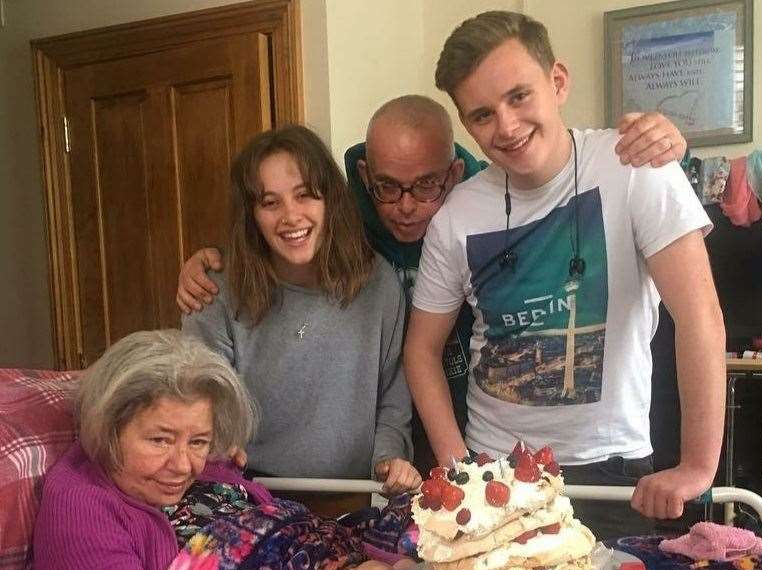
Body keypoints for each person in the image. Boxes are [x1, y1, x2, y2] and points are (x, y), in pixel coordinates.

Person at [176, 97, 687, 477]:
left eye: (426, 186)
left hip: (468, 427)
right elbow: (281, 222)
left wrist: (666, 145)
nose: (405, 206)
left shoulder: (484, 211)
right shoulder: (344, 220)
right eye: (387, 188)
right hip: (379, 449)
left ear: (454, 173)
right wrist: (208, 264)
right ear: (363, 179)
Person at [403, 11, 725, 540]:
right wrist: (460, 467)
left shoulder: (636, 165)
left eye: (519, 96)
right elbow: (421, 351)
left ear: (557, 82)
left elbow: (700, 318)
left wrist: (697, 466)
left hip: (611, 471)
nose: (506, 126)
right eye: (482, 115)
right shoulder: (457, 216)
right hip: (497, 474)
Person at [32, 330, 410, 570]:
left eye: (198, 442)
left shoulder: (192, 465)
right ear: (109, 428)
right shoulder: (80, 513)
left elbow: (288, 528)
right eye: (159, 441)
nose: (183, 466)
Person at [182, 125, 420, 493]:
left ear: (331, 201)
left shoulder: (379, 284)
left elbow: (393, 398)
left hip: (354, 497)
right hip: (246, 494)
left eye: (305, 195)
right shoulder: (212, 288)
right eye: (270, 202)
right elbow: (200, 399)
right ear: (251, 215)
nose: (290, 216)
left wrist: (389, 459)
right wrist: (216, 444)